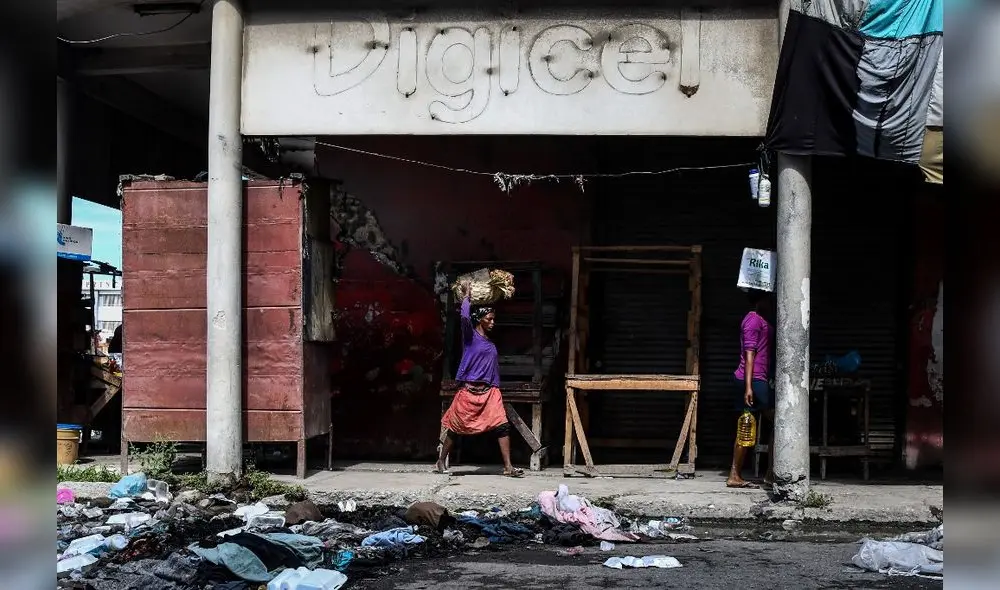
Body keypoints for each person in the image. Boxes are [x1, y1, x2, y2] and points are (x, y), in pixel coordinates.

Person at [435, 280, 524, 477]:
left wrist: (495, 388)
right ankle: (440, 461)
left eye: (494, 319)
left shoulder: (490, 344)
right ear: (480, 319)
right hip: (468, 391)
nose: (493, 322)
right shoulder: (470, 337)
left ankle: (508, 467)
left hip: (490, 392)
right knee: (455, 427)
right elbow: (464, 317)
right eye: (490, 319)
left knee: (502, 425)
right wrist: (466, 295)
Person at [727, 289, 775, 488]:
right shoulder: (753, 320)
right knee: (779, 423)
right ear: (760, 300)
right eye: (768, 298)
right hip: (753, 380)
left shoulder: (759, 319)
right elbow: (749, 355)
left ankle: (736, 474)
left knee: (747, 423)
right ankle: (769, 473)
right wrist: (748, 387)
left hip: (757, 379)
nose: (771, 302)